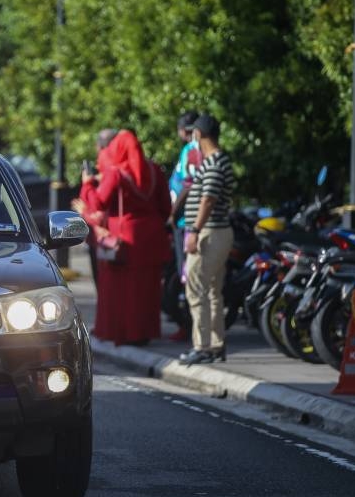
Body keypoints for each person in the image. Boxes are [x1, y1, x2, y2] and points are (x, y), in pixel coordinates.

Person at [76, 129, 170, 346]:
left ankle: (125, 333)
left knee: (123, 291)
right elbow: (166, 207)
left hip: (124, 239)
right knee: (148, 290)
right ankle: (144, 333)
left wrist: (88, 183)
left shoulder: (116, 172)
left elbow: (98, 202)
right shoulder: (155, 170)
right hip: (153, 237)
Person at [179, 114, 235, 365]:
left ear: (198, 134)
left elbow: (208, 199)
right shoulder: (220, 160)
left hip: (209, 233)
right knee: (212, 291)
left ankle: (202, 346)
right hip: (217, 232)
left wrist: (193, 231)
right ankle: (215, 345)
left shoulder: (213, 163)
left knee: (196, 288)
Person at [72, 129, 118, 287]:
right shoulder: (106, 175)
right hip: (98, 239)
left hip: (107, 241)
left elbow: (100, 212)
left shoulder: (111, 176)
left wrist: (84, 211)